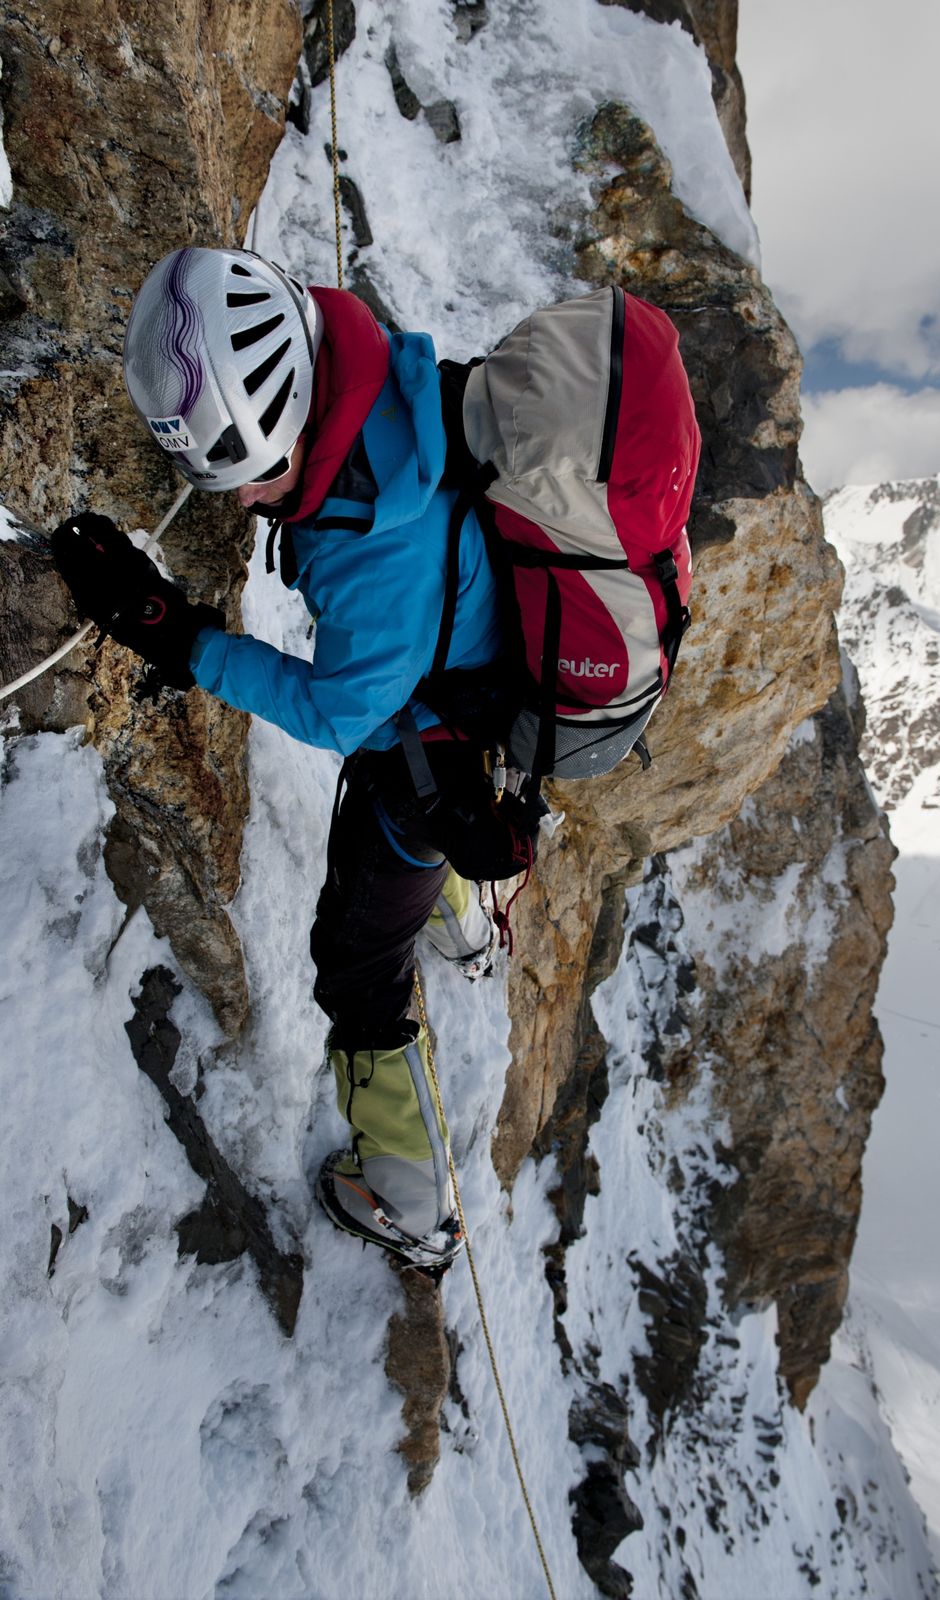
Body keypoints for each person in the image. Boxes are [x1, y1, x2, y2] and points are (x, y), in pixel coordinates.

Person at [52, 245, 512, 1275]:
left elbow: (345, 714)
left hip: (433, 741)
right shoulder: (365, 382)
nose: (246, 504)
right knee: (417, 851)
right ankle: (459, 918)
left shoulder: (371, 550)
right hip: (465, 665)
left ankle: (408, 1189)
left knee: (356, 960)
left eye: (245, 478)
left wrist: (188, 642)